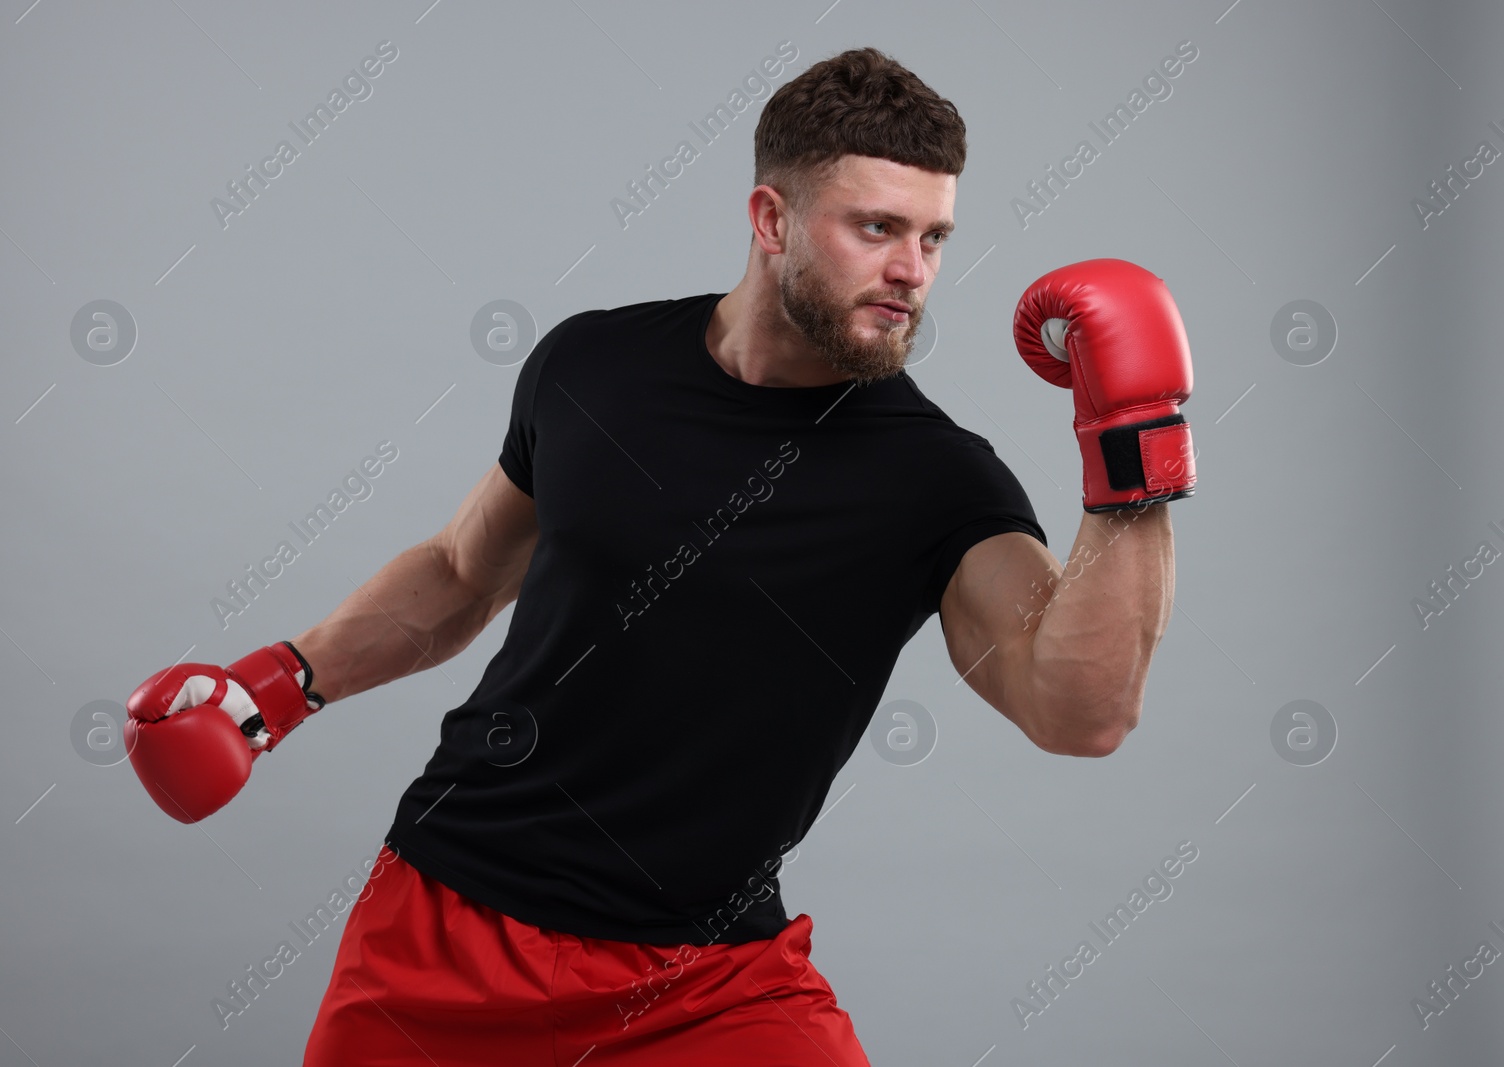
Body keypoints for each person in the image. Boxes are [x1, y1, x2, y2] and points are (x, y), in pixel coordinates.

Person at [123, 45, 1193, 1066]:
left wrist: (1132, 459)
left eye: (934, 237)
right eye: (877, 228)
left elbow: (1078, 709)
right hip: (445, 930)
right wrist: (279, 685)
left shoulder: (935, 477)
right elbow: (459, 573)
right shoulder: (591, 364)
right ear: (771, 218)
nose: (912, 272)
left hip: (702, 987)